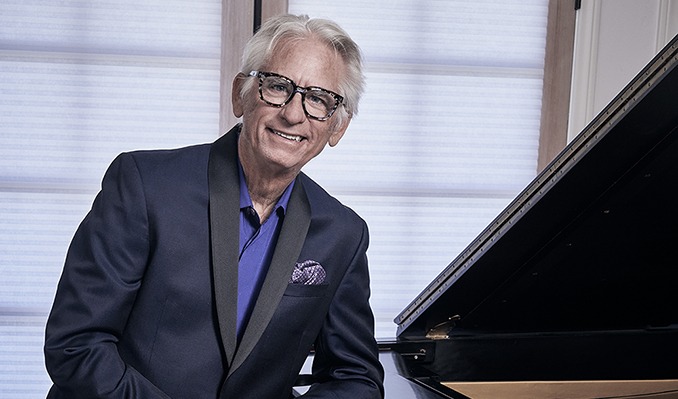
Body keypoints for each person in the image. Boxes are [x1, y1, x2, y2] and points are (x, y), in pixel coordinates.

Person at [44, 14, 384, 399]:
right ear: (241, 93)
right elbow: (76, 345)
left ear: (337, 126)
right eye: (277, 87)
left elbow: (355, 378)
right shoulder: (143, 185)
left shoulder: (343, 233)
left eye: (318, 99)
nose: (293, 113)